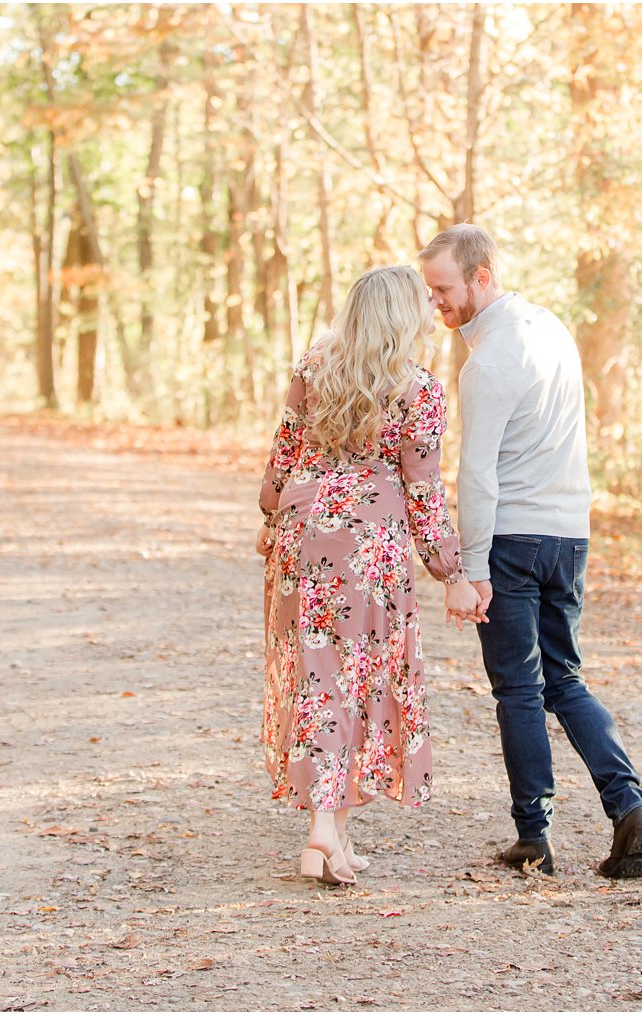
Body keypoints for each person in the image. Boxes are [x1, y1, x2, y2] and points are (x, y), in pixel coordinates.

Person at [418, 224, 642, 879]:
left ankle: (534, 836)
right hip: (568, 533)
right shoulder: (552, 329)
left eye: (443, 288)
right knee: (565, 679)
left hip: (514, 540)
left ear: (482, 276)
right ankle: (630, 809)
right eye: (429, 288)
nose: (435, 301)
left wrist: (471, 568)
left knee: (519, 689)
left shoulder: (489, 361)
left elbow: (477, 475)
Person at [257, 265, 484, 886]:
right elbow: (422, 492)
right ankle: (323, 829)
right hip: (369, 547)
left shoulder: (314, 366)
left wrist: (271, 515)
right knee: (356, 682)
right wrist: (453, 572)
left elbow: (284, 453)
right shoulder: (418, 390)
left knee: (317, 675)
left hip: (304, 534)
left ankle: (335, 834)